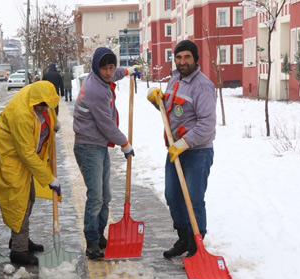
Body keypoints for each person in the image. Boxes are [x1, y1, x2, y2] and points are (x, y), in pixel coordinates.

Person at [147, 39, 217, 258]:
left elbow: (207, 124)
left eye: (187, 57)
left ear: (195, 58)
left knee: (194, 198)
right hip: (175, 150)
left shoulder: (203, 86)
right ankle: (183, 238)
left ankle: (197, 244)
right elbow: (172, 109)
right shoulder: (175, 79)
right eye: (178, 57)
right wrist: (157, 100)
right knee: (173, 196)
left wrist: (184, 143)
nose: (182, 61)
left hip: (197, 152)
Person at [73, 47, 140, 259]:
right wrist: (125, 144)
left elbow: (117, 73)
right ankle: (92, 241)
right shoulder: (96, 90)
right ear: (96, 68)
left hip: (98, 144)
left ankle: (100, 233)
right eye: (105, 68)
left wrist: (129, 71)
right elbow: (106, 125)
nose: (109, 72)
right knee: (96, 197)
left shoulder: (102, 78)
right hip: (88, 146)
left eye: (111, 67)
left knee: (105, 195)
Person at [0, 81, 60, 266]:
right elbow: (26, 153)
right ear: (36, 101)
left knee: (29, 196)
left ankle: (20, 238)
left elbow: (49, 108)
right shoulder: (21, 115)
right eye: (42, 105)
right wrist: (48, 178)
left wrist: (54, 121)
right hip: (9, 154)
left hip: (22, 152)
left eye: (48, 105)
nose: (45, 109)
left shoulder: (38, 96)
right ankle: (19, 251)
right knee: (19, 201)